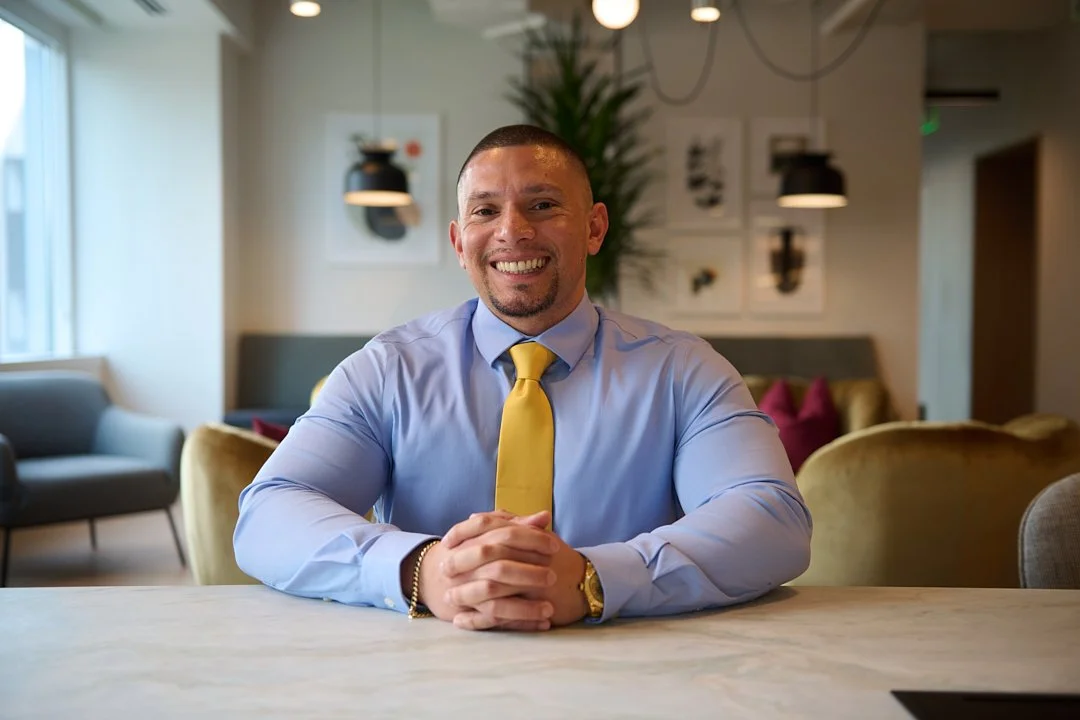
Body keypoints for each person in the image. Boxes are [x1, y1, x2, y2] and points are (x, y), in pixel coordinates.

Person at [234, 124, 812, 631]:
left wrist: (595, 580)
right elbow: (270, 511)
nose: (512, 231)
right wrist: (423, 570)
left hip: (632, 672)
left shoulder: (684, 370)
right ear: (461, 244)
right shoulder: (388, 369)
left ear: (593, 228)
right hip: (420, 674)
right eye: (485, 211)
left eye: (541, 205)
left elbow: (773, 517)